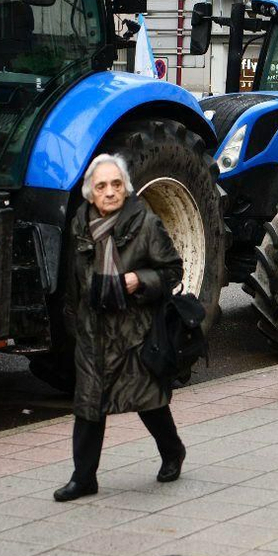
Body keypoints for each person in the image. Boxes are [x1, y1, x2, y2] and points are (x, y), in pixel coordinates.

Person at [55, 154, 188, 502]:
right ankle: (84, 478)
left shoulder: (145, 223)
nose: (110, 192)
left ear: (126, 188)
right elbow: (72, 282)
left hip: (134, 332)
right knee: (88, 405)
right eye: (102, 186)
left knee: (149, 402)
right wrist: (73, 322)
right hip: (93, 330)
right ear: (90, 194)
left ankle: (172, 451)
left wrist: (138, 279)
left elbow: (173, 271)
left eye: (116, 184)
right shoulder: (80, 225)